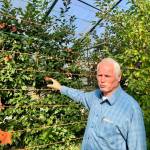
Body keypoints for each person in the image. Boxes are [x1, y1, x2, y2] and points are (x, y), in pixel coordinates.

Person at [45, 58, 147, 150]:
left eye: (107, 76)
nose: (102, 80)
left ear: (118, 77)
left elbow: (138, 146)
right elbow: (80, 96)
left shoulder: (131, 108)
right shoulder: (95, 97)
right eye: (99, 75)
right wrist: (61, 88)